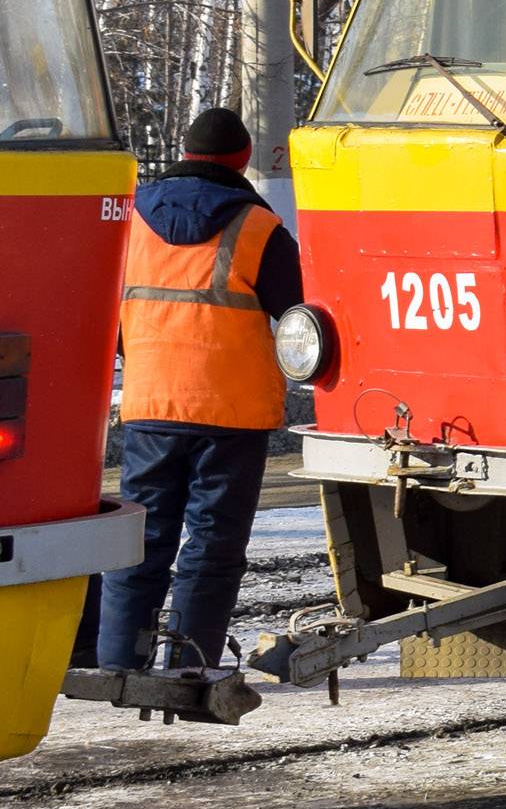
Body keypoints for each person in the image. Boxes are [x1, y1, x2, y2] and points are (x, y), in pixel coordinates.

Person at [96, 107, 302, 673]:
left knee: (140, 538)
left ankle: (118, 663)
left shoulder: (130, 220)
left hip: (149, 405)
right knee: (212, 544)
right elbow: (299, 321)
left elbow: (107, 308)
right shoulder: (259, 229)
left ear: (185, 152)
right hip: (232, 415)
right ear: (242, 160)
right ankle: (190, 666)